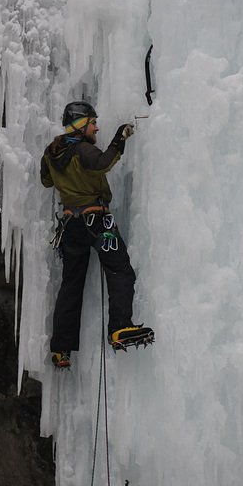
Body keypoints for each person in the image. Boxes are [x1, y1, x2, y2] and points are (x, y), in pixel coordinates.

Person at [40, 101, 154, 368]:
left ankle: (61, 349)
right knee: (120, 270)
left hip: (71, 227)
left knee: (71, 285)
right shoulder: (82, 149)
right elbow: (102, 163)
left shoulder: (52, 153)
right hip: (97, 222)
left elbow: (46, 181)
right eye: (93, 123)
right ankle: (119, 327)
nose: (96, 127)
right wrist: (119, 138)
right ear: (81, 126)